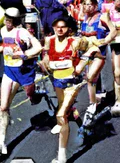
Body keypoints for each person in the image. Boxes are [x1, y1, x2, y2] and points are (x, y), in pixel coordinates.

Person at [0, 7, 42, 155]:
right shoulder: (3, 30)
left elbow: (38, 47)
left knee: (31, 96)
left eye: (10, 21)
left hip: (23, 72)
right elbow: (5, 45)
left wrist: (24, 54)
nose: (8, 23)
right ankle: (0, 142)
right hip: (9, 71)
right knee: (3, 107)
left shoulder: (21, 32)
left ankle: (36, 95)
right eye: (6, 20)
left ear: (16, 21)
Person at [39, 17, 84, 163]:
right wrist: (45, 64)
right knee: (64, 106)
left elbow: (92, 50)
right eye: (57, 27)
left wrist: (81, 68)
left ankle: (62, 156)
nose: (60, 29)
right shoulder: (49, 41)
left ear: (68, 29)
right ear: (53, 28)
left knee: (61, 115)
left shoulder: (74, 41)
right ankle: (82, 123)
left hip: (72, 81)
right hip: (57, 79)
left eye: (63, 27)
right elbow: (46, 57)